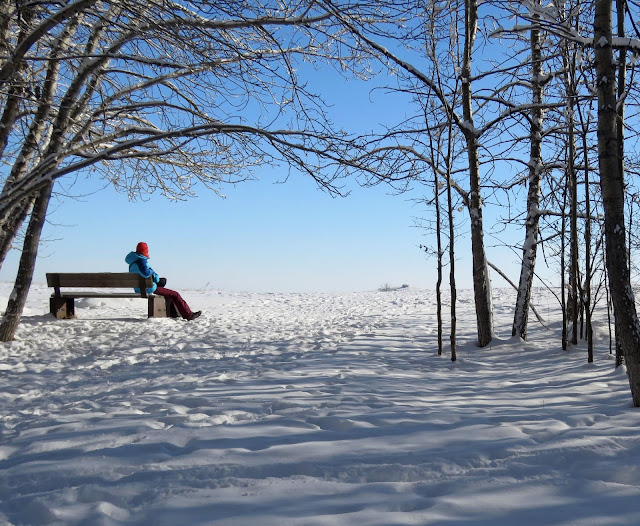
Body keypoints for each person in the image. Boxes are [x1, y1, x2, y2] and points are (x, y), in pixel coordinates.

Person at [125, 242, 201, 321]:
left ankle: (173, 314)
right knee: (175, 294)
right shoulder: (141, 261)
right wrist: (153, 273)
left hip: (139, 289)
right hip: (148, 288)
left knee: (169, 293)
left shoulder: (132, 263)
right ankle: (188, 315)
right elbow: (146, 273)